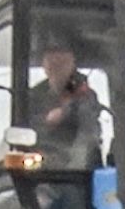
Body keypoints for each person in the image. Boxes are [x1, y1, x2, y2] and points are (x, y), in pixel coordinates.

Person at [26, 39, 103, 170]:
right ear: (44, 65)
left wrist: (65, 111)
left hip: (77, 169)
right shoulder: (33, 96)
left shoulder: (85, 94)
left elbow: (89, 131)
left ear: (72, 63)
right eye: (50, 61)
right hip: (40, 167)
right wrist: (46, 122)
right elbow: (25, 128)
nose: (55, 65)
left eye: (61, 62)